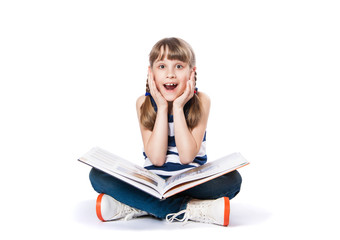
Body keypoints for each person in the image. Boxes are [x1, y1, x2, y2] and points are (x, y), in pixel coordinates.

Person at [89, 37, 242, 226]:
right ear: (150, 73)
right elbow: (157, 160)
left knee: (233, 180)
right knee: (97, 175)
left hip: (190, 184)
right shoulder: (143, 103)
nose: (170, 74)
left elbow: (186, 157)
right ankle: (191, 209)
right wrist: (162, 107)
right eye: (162, 66)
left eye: (179, 66)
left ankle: (138, 206)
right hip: (153, 183)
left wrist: (178, 107)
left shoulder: (201, 101)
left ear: (192, 73)